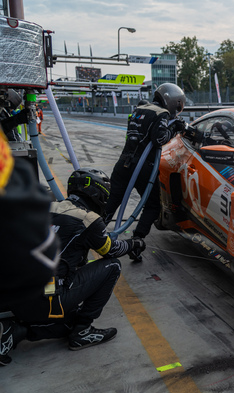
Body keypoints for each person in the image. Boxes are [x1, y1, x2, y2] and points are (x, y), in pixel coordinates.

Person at [0, 168, 146, 365]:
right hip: (47, 301)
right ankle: (83, 330)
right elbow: (110, 251)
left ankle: (14, 331)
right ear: (99, 194)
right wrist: (134, 244)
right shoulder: (88, 219)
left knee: (66, 321)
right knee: (112, 266)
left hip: (15, 299)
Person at [104, 83, 188, 261]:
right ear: (173, 101)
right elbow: (159, 138)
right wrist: (176, 128)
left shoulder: (139, 108)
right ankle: (137, 242)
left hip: (123, 164)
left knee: (111, 203)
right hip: (142, 167)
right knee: (152, 205)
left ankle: (89, 237)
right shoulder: (161, 113)